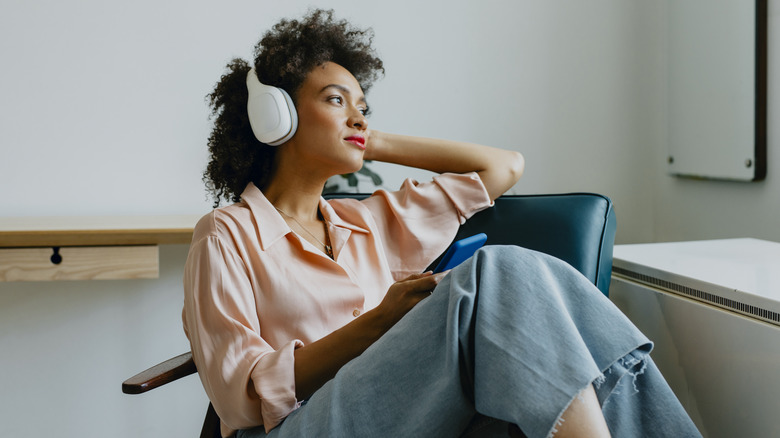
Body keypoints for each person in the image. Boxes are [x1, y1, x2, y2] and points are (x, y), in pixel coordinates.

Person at [182, 9, 700, 438]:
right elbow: (241, 397)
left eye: (364, 107)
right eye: (336, 101)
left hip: (401, 410)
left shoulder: (367, 221)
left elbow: (502, 167)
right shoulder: (226, 234)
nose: (358, 117)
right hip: (300, 427)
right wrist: (380, 322)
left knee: (561, 318)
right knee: (498, 270)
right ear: (278, 118)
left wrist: (369, 139)